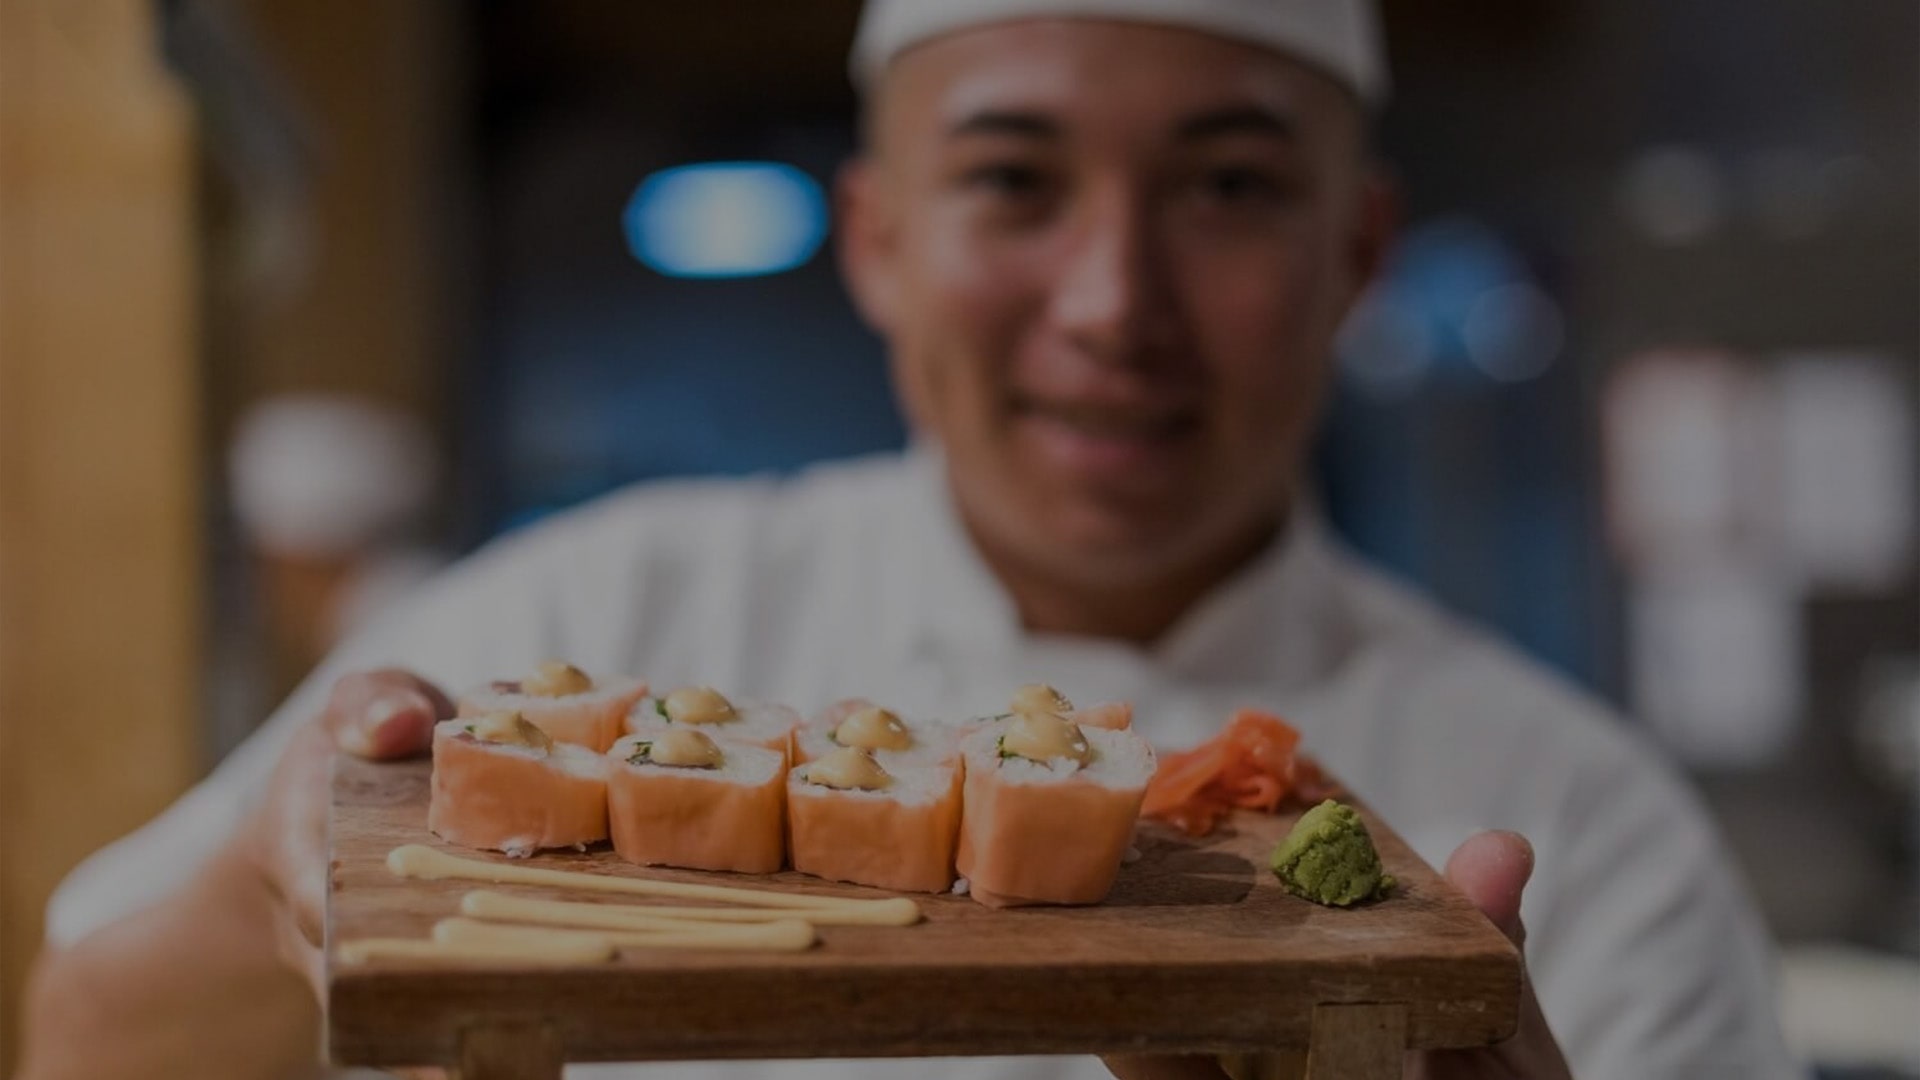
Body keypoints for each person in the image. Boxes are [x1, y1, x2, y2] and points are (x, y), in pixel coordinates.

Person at [19, 1, 1802, 1078]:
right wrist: (281, 887)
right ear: (876, 239)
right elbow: (82, 1040)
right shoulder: (580, 615)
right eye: (1014, 181)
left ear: (1356, 251)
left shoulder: (1578, 825)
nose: (1114, 303)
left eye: (1234, 187)